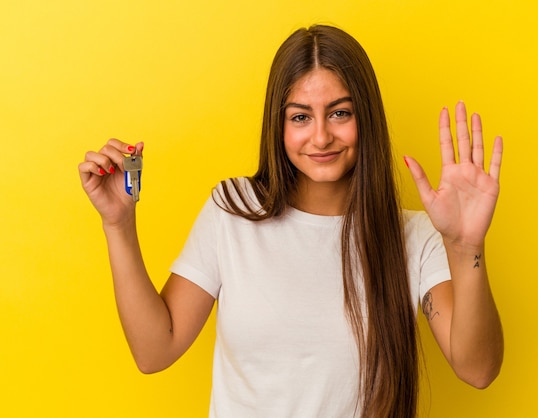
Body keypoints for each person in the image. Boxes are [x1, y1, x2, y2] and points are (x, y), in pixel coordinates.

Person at [79, 24, 503, 418]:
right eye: (300, 116)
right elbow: (155, 351)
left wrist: (467, 248)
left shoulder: (414, 237)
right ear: (278, 125)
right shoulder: (233, 210)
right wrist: (118, 224)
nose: (320, 137)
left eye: (340, 113)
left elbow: (478, 369)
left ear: (366, 119)